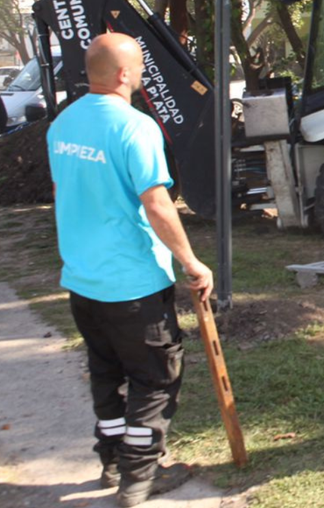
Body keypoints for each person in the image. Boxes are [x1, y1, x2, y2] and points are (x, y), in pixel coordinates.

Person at [47, 34, 213, 507]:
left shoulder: (63, 124)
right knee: (155, 378)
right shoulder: (134, 127)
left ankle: (112, 460)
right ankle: (140, 478)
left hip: (83, 280)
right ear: (123, 74)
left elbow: (64, 192)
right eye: (138, 67)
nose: (140, 76)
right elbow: (157, 203)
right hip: (132, 282)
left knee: (107, 372)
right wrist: (191, 261)